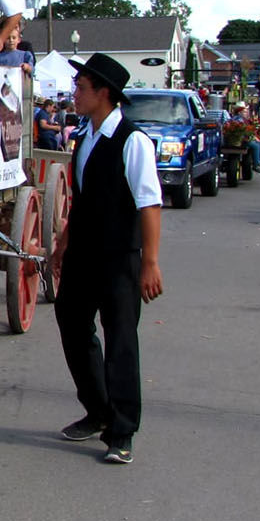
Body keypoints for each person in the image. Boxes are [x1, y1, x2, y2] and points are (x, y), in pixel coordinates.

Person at [48, 53, 163, 466]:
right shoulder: (85, 137)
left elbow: (149, 205)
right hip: (82, 253)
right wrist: (62, 242)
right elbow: (80, 200)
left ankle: (122, 429)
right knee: (72, 324)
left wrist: (149, 262)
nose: (74, 93)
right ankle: (97, 409)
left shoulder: (133, 141)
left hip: (118, 258)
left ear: (104, 93)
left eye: (81, 88)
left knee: (120, 341)